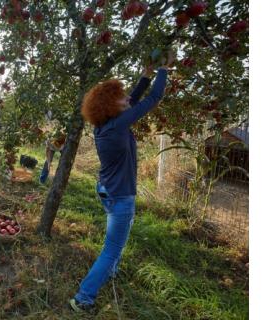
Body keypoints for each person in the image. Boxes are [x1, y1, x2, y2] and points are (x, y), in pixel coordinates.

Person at [69, 52, 174, 313]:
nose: (128, 98)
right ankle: (83, 298)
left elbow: (133, 101)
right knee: (112, 249)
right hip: (119, 196)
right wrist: (163, 70)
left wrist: (145, 76)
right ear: (112, 107)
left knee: (113, 243)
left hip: (107, 190)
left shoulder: (104, 125)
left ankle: (111, 271)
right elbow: (153, 99)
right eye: (121, 97)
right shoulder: (117, 125)